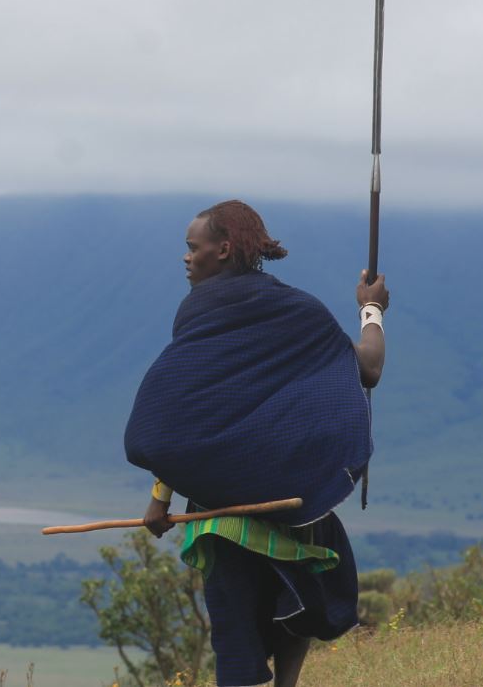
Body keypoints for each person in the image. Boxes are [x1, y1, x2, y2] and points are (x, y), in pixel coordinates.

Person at [123, 200, 388, 687]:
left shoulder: (199, 311)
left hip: (223, 514)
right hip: (294, 500)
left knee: (236, 635)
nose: (185, 258)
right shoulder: (298, 308)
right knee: (293, 605)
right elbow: (368, 366)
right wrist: (370, 309)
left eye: (192, 248)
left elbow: (184, 422)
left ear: (223, 250)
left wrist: (160, 499)